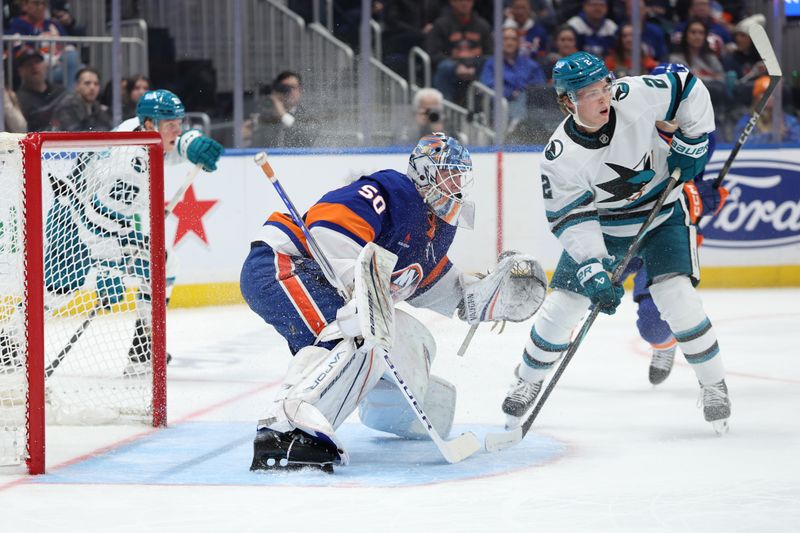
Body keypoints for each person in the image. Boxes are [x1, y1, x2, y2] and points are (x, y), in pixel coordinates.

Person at [240, 132, 547, 472]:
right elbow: (327, 232)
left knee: (409, 337)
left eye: (461, 176)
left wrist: (482, 300)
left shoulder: (438, 228)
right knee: (353, 332)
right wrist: (362, 293)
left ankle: (383, 412)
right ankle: (283, 431)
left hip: (313, 280)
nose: (457, 184)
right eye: (450, 173)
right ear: (426, 172)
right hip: (283, 265)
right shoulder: (390, 191)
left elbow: (431, 285)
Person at [501, 51, 732, 435]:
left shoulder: (634, 95)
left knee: (678, 298)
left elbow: (686, 86)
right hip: (606, 230)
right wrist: (592, 268)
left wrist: (693, 142)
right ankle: (527, 379)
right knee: (563, 308)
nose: (604, 97)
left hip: (661, 215)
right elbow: (572, 218)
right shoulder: (559, 158)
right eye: (590, 92)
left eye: (604, 85)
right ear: (566, 101)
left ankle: (714, 385)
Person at [43, 89, 223, 376]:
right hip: (77, 223)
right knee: (57, 292)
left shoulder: (136, 128)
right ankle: (12, 343)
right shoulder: (128, 168)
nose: (177, 129)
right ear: (150, 124)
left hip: (91, 211)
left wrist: (191, 143)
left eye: (179, 122)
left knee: (162, 262)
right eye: (171, 124)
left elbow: (169, 148)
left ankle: (144, 346)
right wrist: (108, 269)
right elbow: (98, 220)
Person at [622, 62, 729, 386]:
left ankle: (663, 344)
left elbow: (687, 181)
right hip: (619, 228)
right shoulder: (628, 129)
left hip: (665, 233)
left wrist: (701, 196)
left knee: (653, 323)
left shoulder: (702, 136)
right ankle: (544, 355)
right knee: (578, 293)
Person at [479, 26, 546, 129]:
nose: (509, 42)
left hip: (527, 107)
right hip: (500, 107)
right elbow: (487, 87)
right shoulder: (491, 63)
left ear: (519, 42)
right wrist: (510, 92)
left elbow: (540, 87)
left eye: (513, 39)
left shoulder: (530, 64)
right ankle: (515, 127)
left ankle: (517, 126)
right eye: (505, 39)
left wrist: (521, 90)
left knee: (523, 96)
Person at [6, 0, 82, 90]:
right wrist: (45, 51)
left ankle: (69, 98)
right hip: (37, 68)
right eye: (36, 3)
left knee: (79, 66)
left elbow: (68, 45)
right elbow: (19, 51)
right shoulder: (18, 25)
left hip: (59, 65)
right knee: (75, 68)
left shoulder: (54, 24)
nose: (41, 7)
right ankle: (70, 99)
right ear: (24, 6)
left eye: (44, 4)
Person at [427, 0, 492, 104]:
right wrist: (456, 66)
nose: (464, 3)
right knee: (445, 67)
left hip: (476, 66)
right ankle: (446, 108)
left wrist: (473, 66)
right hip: (451, 68)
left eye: (468, 0)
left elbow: (490, 53)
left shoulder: (482, 25)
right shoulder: (441, 25)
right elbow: (434, 53)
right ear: (452, 2)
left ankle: (486, 108)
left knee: (489, 65)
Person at [245, 71, 318, 148]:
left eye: (292, 87)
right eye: (285, 88)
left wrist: (282, 114)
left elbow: (306, 140)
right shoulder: (265, 114)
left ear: (300, 90)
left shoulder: (308, 115)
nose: (289, 92)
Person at [733, 76, 800, 145]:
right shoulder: (747, 121)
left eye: (774, 94)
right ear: (756, 98)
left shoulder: (789, 121)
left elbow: (797, 141)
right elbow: (741, 144)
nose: (770, 97)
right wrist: (771, 136)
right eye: (765, 93)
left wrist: (786, 135)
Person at [13, 46, 66, 131]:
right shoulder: (19, 99)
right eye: (29, 64)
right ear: (20, 71)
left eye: (37, 62)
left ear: (44, 64)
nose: (34, 67)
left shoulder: (60, 92)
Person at [51, 67, 112, 131]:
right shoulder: (66, 106)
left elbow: (109, 128)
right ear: (77, 86)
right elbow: (75, 133)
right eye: (87, 83)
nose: (92, 87)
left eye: (96, 84)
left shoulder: (96, 106)